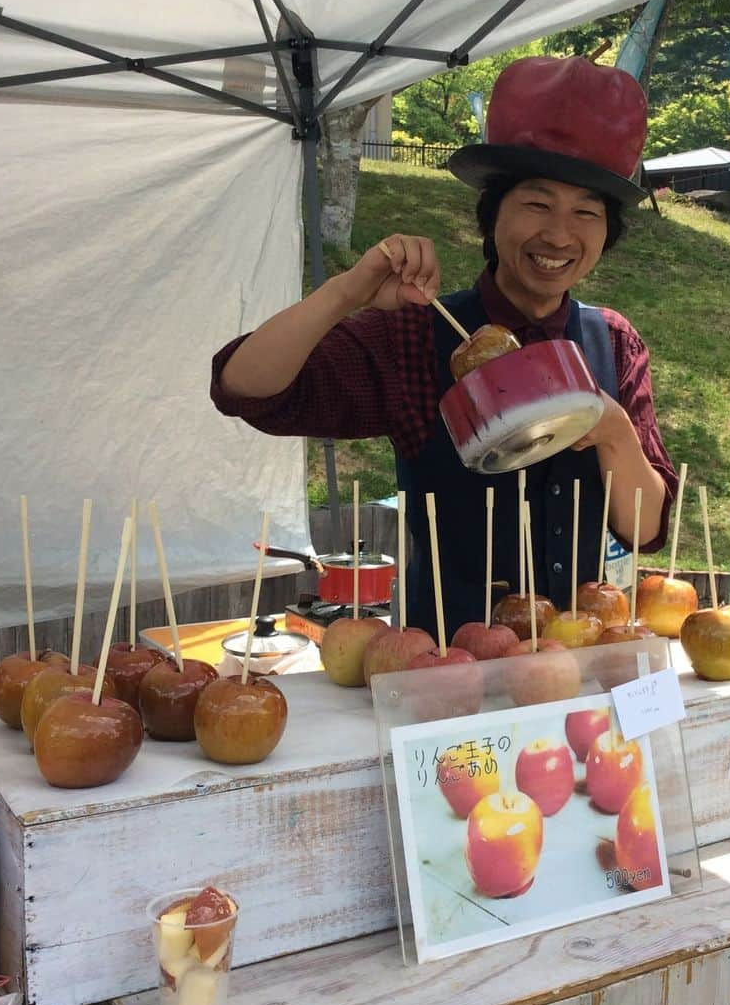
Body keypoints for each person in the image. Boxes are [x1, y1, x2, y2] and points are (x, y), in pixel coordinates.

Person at [210, 55, 678, 638]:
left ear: (606, 232)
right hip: (444, 674)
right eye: (537, 203)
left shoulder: (611, 342)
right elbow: (244, 386)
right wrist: (347, 290)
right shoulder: (421, 332)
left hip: (577, 669)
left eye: (586, 211)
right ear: (492, 216)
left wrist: (613, 430)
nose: (560, 234)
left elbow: (646, 528)